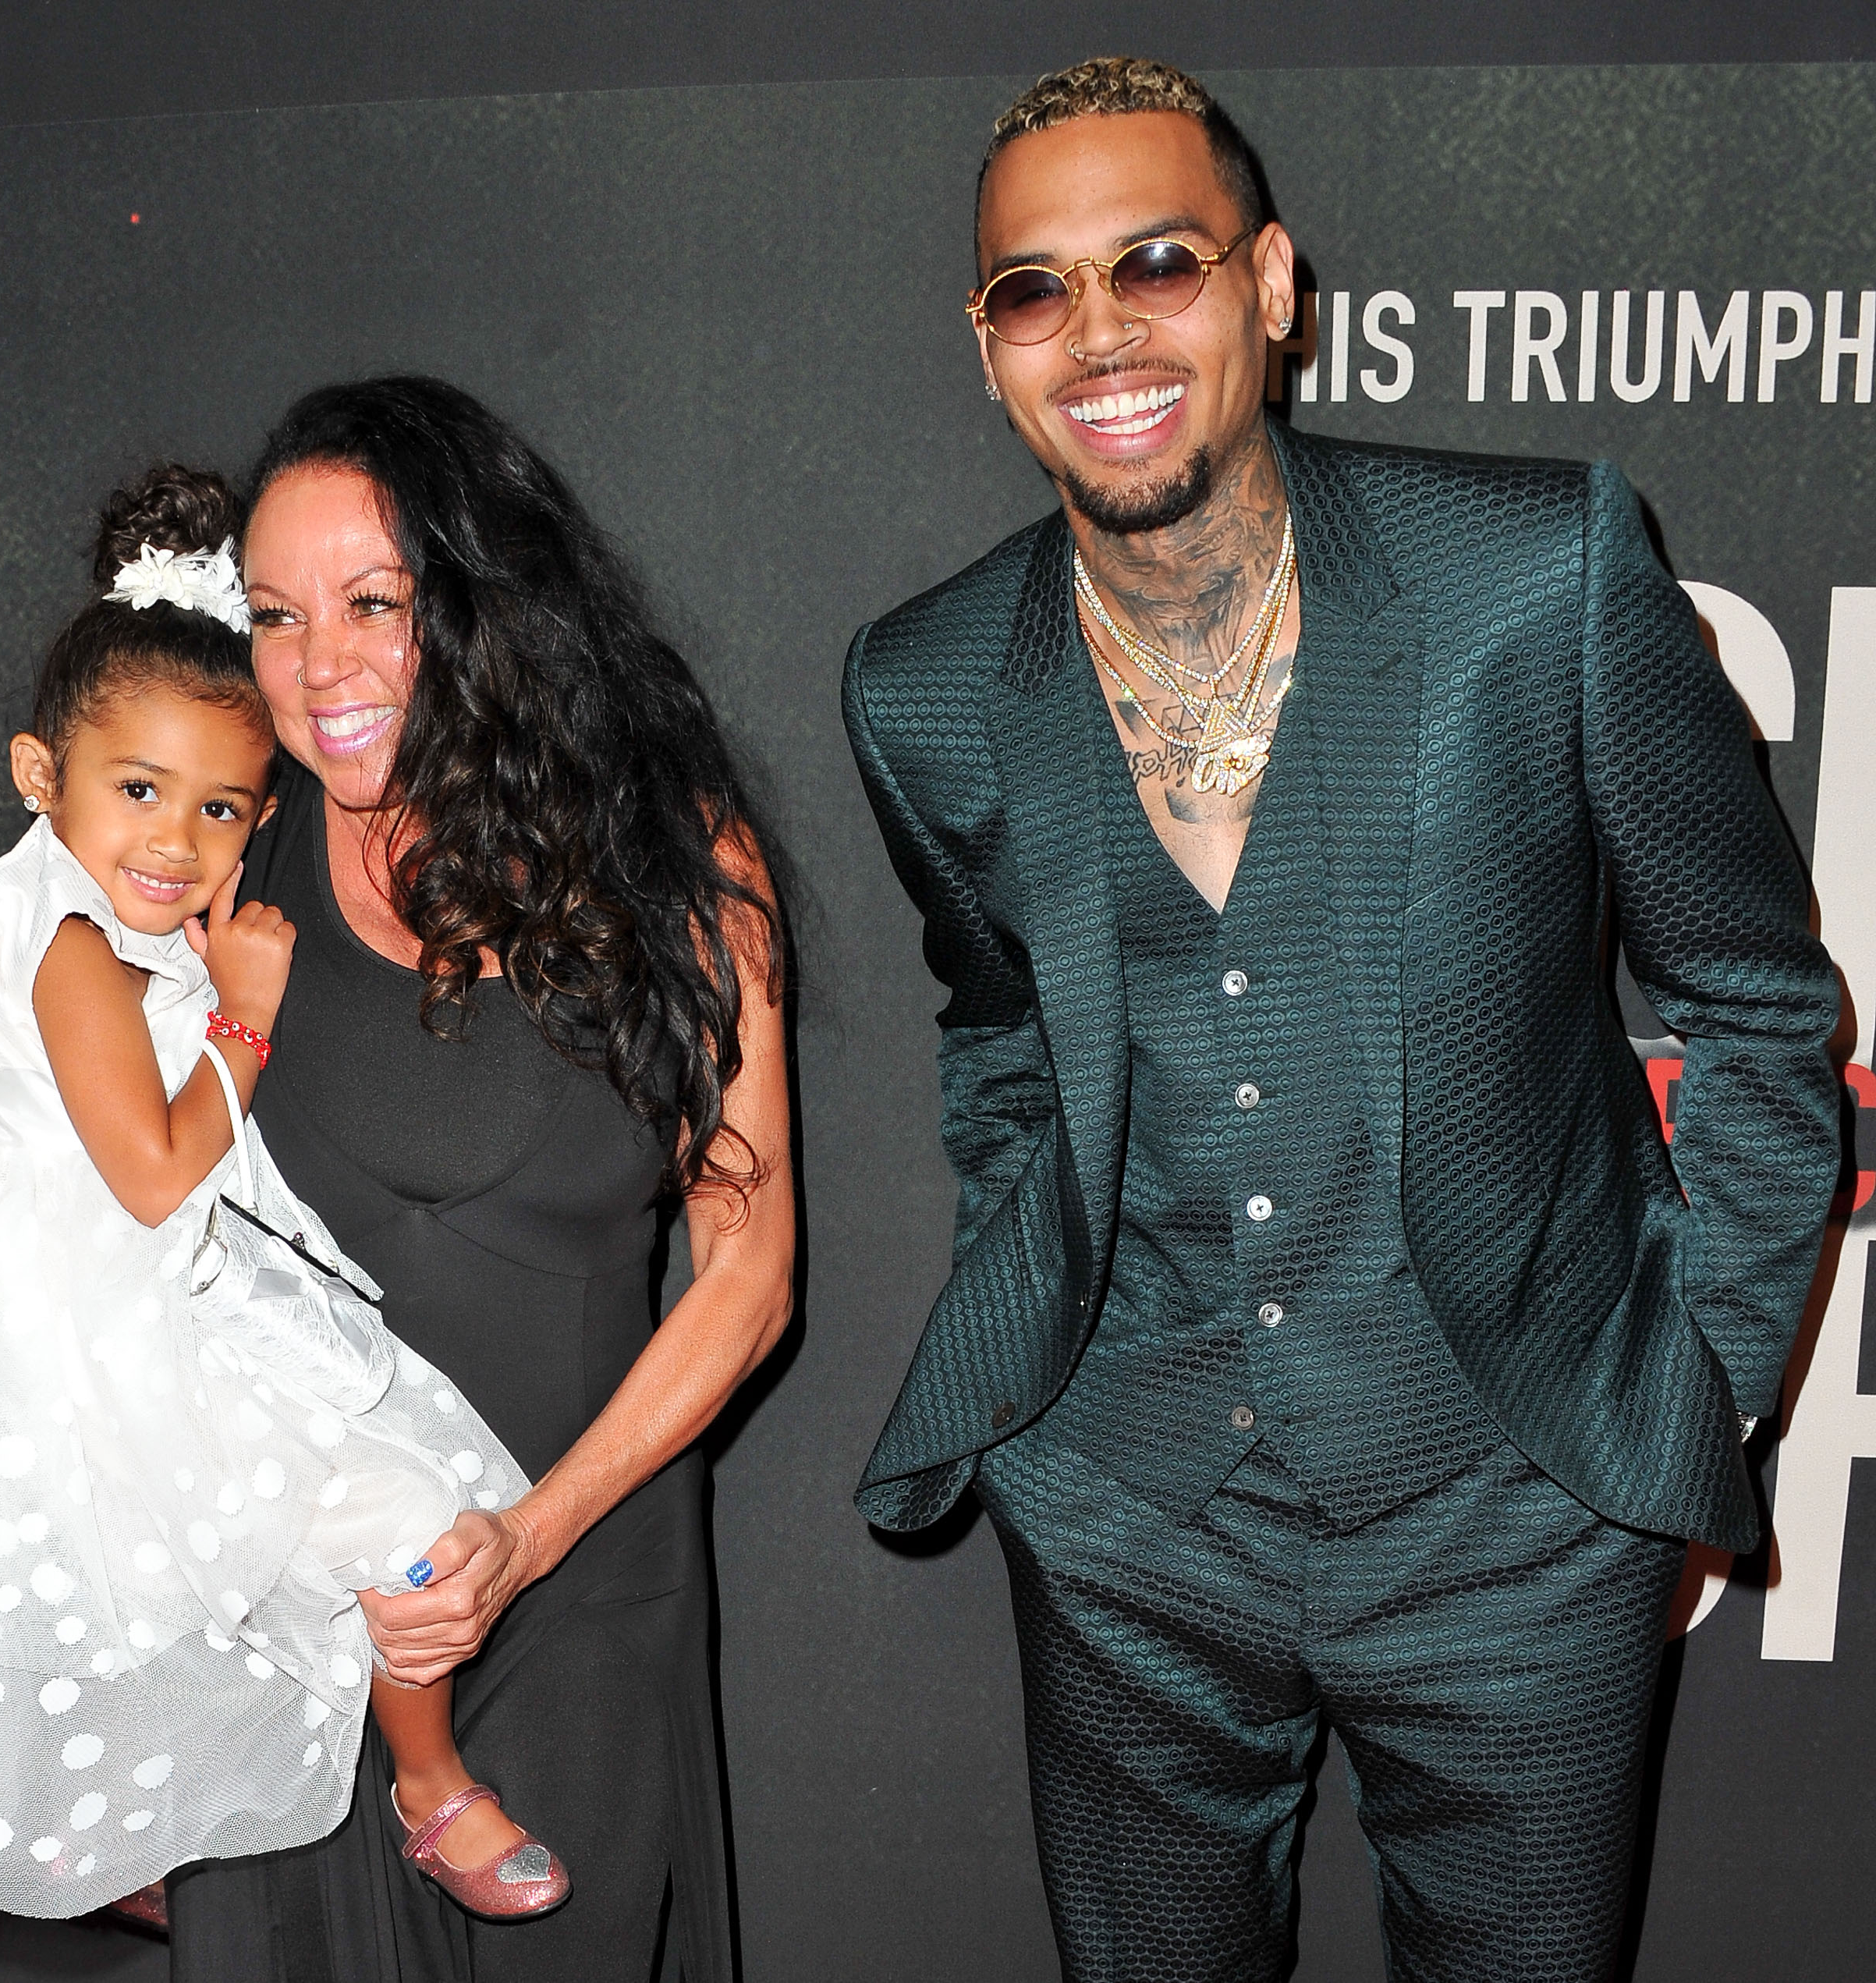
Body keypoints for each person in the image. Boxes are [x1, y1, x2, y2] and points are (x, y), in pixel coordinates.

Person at [844, 56, 1839, 1983]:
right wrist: (1046, 1370)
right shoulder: (926, 680)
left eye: (1159, 261)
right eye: (1034, 290)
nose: (1102, 330)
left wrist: (1691, 1405)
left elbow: (1760, 1009)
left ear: (1275, 284)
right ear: (986, 349)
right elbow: (996, 1043)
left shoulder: (1531, 580)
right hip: (1127, 1525)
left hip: (1518, 1527)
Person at [0, 464, 562, 1923]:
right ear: (37, 775)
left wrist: (199, 944)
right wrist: (245, 1013)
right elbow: (151, 1171)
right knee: (304, 1533)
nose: (176, 845)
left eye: (219, 811)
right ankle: (424, 1787)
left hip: (108, 1285)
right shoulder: (73, 942)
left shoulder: (82, 899)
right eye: (138, 793)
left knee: (268, 1555)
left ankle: (368, 1787)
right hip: (91, 1301)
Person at [165, 377, 793, 1983]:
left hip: (577, 1592)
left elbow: (747, 1265)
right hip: (296, 1621)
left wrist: (528, 1534)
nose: (321, 670)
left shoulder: (681, 860)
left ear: (483, 599)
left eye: (375, 603)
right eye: (277, 615)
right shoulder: (222, 867)